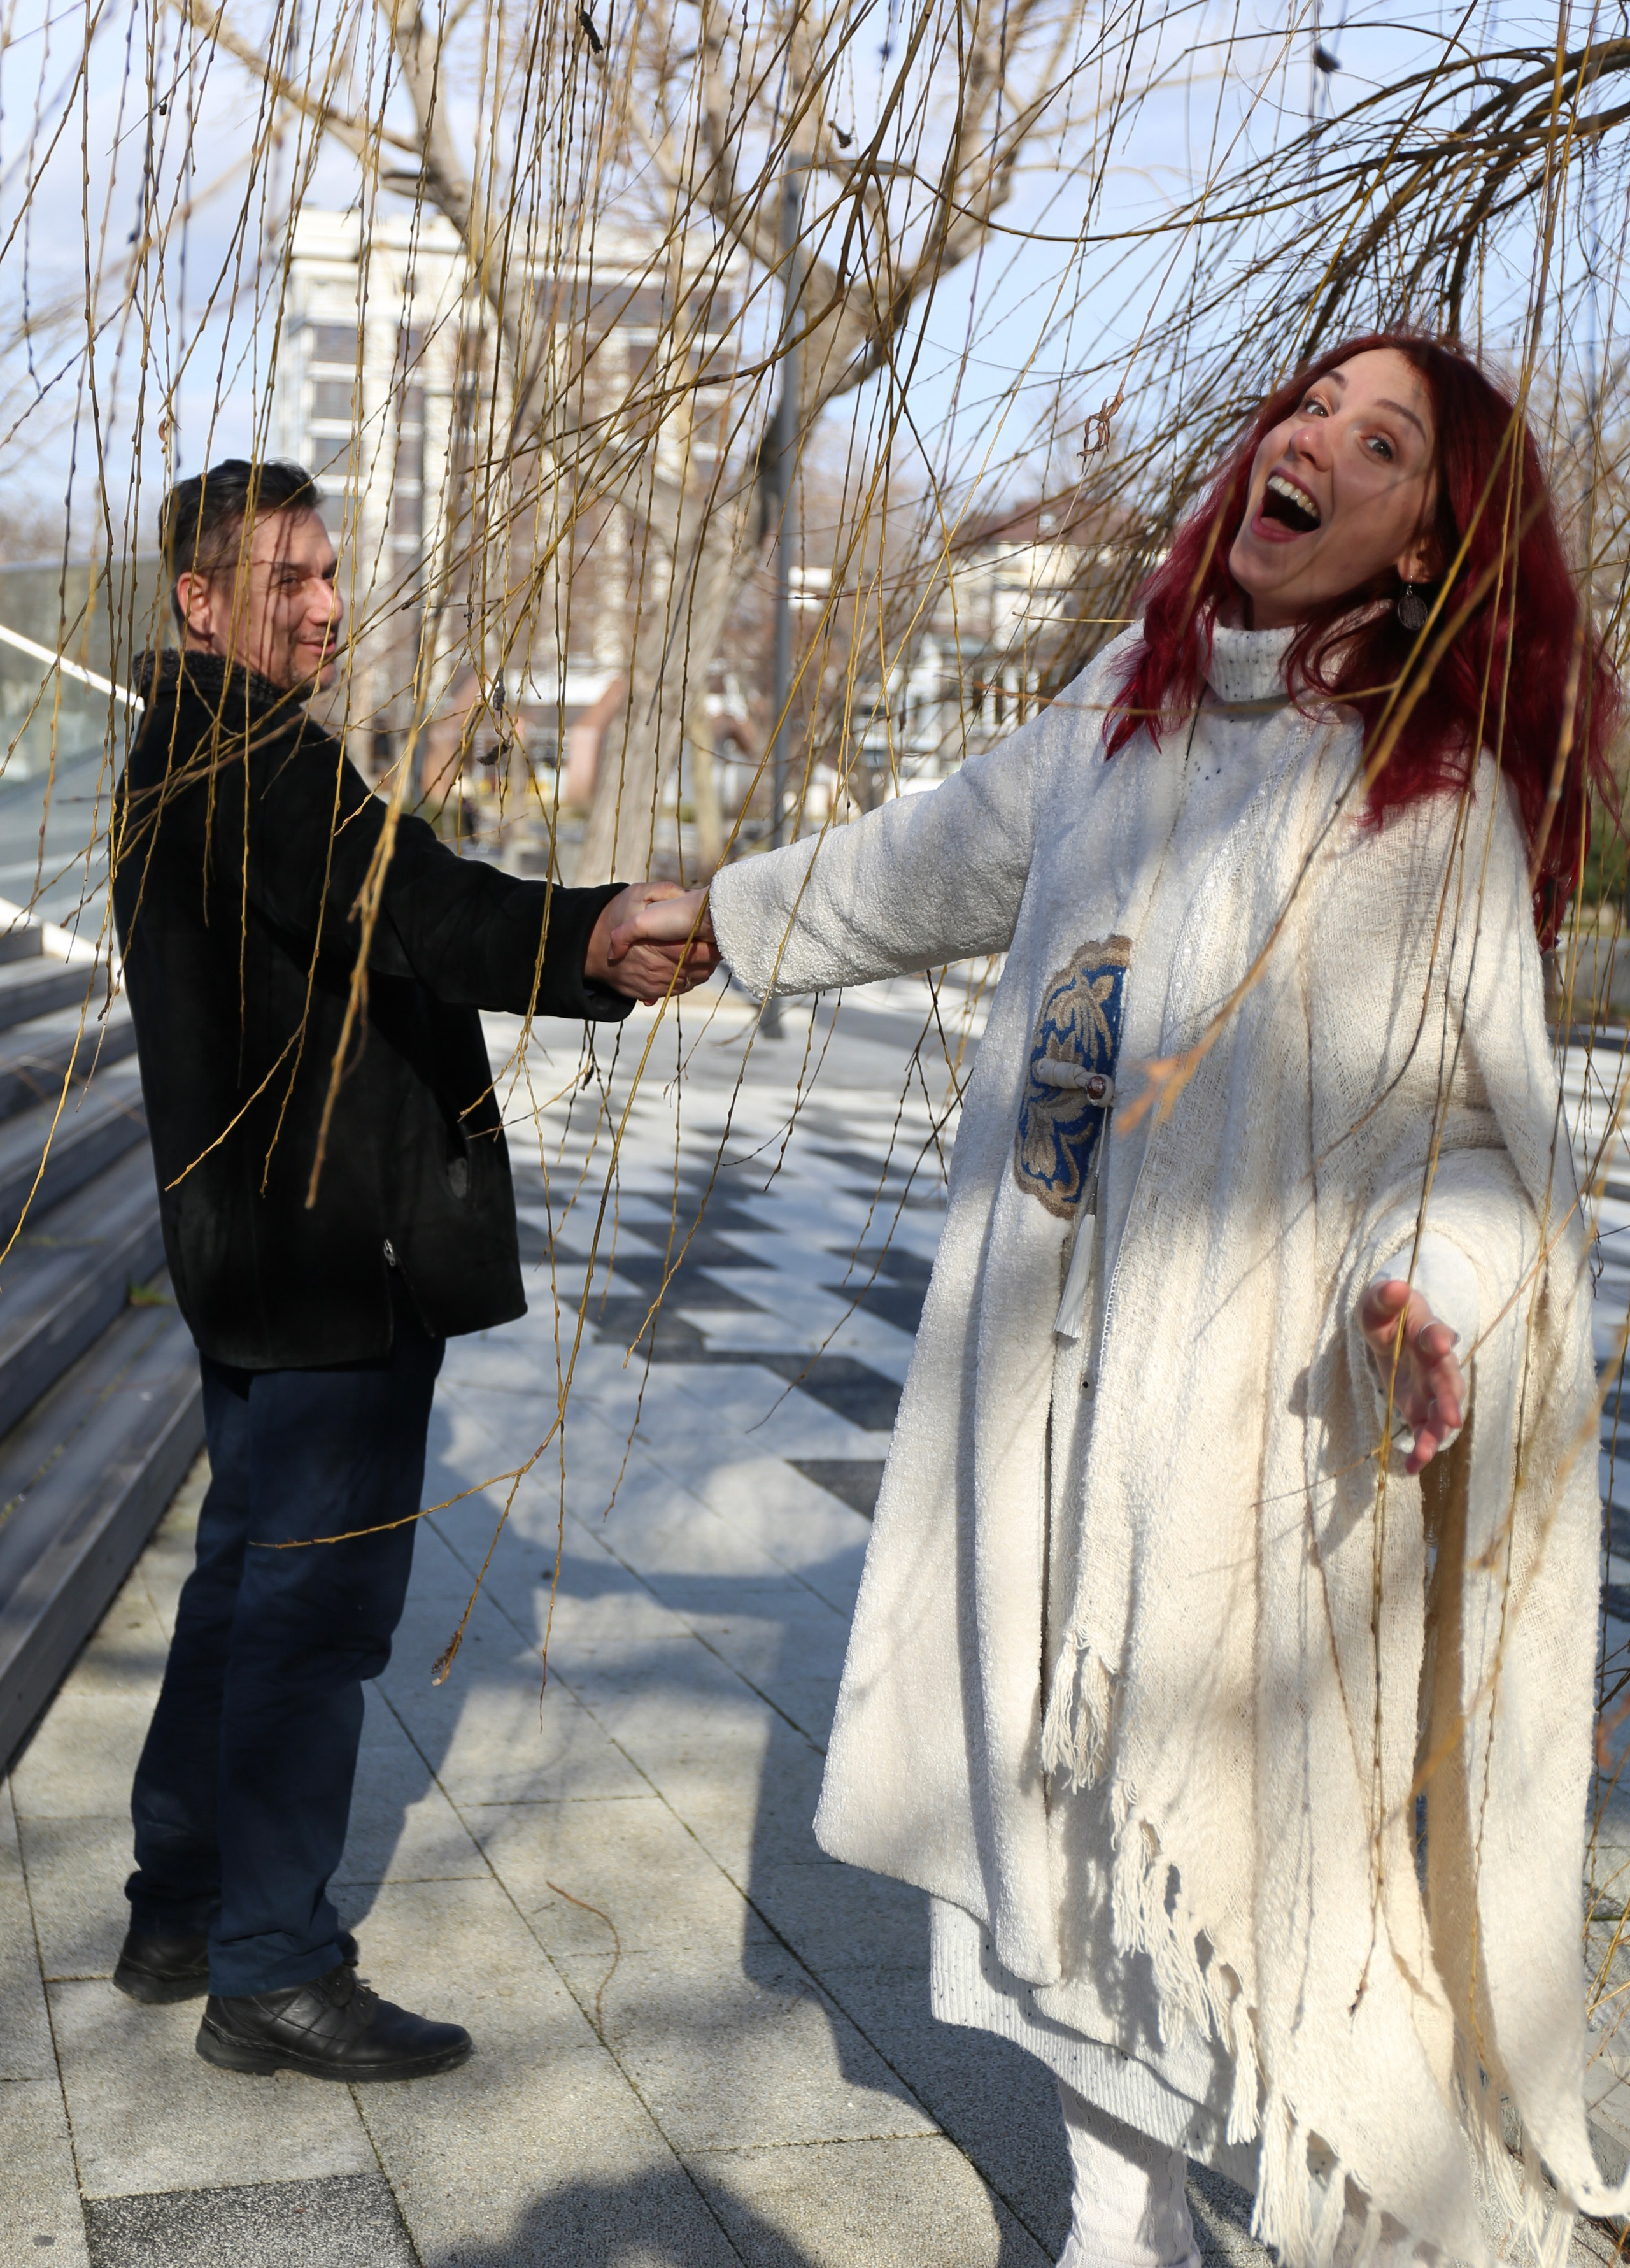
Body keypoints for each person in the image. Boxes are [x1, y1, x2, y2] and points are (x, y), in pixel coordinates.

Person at [611, 338, 1627, 2264]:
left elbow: (1492, 1150)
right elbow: (927, 855)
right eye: (1314, 408)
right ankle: (1112, 2222)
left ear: (1428, 542)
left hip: (1248, 1437)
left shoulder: (1422, 813)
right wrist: (726, 919)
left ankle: (1351, 2195)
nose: (1315, 439)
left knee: (1222, 1848)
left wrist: (1438, 1303)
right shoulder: (1121, 708)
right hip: (1034, 1385)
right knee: (1042, 1833)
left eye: (1384, 439)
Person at [111, 459, 716, 2083]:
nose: (321, 603)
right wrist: (590, 935)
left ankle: (181, 1903)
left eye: (326, 573)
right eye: (286, 578)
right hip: (323, 1258)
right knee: (307, 1613)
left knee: (245, 1581)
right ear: (200, 598)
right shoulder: (236, 755)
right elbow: (414, 905)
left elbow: (374, 910)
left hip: (275, 1255)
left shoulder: (204, 748)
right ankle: (273, 1967)